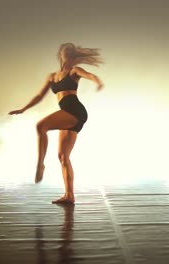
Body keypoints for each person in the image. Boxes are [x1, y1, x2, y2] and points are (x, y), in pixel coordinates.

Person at [8, 43, 104, 204]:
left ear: (73, 56)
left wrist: (98, 81)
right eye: (65, 51)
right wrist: (23, 109)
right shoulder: (52, 76)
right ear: (60, 54)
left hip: (74, 110)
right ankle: (69, 195)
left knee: (41, 126)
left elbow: (89, 74)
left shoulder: (75, 71)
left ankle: (40, 165)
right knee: (63, 157)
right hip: (68, 113)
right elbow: (39, 96)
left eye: (71, 51)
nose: (68, 53)